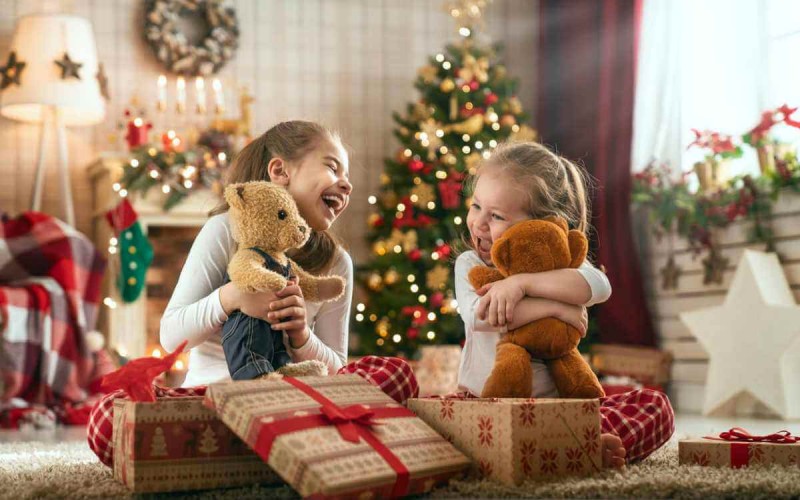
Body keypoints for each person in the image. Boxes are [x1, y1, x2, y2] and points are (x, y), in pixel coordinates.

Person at [87, 121, 417, 467]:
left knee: (396, 376)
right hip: (214, 402)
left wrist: (301, 335)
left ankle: (253, 452)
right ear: (280, 170)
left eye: (346, 176)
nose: (347, 185)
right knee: (110, 416)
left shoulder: (337, 263)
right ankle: (276, 451)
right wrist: (231, 298)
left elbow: (337, 370)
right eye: (332, 167)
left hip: (292, 401)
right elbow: (171, 336)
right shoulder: (223, 231)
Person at [454, 141, 674, 468]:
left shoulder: (565, 262)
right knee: (434, 417)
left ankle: (563, 448)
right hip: (488, 406)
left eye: (497, 215)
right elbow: (481, 316)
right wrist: (558, 309)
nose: (479, 223)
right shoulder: (470, 263)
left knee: (655, 405)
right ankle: (569, 450)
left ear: (543, 224)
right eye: (476, 206)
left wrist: (521, 283)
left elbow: (599, 286)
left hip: (557, 411)